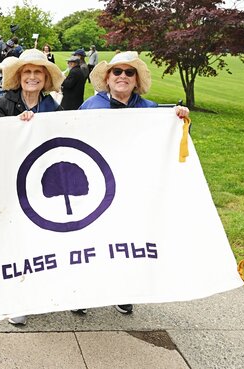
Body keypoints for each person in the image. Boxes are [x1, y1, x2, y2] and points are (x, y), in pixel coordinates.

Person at [77, 51, 189, 316]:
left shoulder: (150, 110)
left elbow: (169, 139)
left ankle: (122, 291)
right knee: (91, 239)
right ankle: (82, 290)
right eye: (117, 71)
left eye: (129, 72)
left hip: (132, 187)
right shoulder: (90, 106)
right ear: (108, 77)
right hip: (97, 183)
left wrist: (179, 117)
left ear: (136, 80)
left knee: (126, 240)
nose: (123, 77)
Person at [0, 49, 64, 324]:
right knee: (15, 241)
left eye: (38, 72)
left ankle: (36, 293)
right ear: (19, 77)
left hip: (42, 183)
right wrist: (15, 127)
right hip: (11, 183)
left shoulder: (53, 108)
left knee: (39, 240)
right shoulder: (2, 104)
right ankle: (16, 299)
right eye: (27, 72)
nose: (32, 77)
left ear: (45, 78)